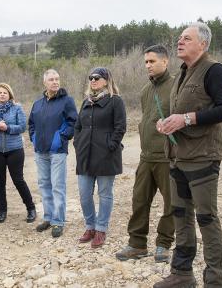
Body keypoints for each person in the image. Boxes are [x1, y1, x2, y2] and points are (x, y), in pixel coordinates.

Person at [154, 22, 222, 288]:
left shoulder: (214, 71)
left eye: (186, 38)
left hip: (203, 158)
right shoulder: (182, 72)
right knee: (180, 214)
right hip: (178, 157)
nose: (179, 42)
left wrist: (186, 119)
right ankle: (182, 274)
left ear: (203, 43)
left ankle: (214, 281)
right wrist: (166, 123)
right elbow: (179, 113)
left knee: (206, 218)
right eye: (179, 38)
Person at [116, 45, 175, 262]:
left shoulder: (176, 85)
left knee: (172, 203)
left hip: (167, 157)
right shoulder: (145, 91)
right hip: (146, 157)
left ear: (165, 61)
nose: (148, 65)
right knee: (139, 201)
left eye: (152, 61)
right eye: (146, 62)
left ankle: (163, 244)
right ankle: (137, 244)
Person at [74, 67, 126, 248]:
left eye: (97, 77)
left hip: (106, 155)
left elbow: (120, 127)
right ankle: (90, 226)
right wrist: (78, 143)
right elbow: (78, 126)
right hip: (85, 155)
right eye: (91, 78)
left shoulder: (115, 101)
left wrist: (110, 145)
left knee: (104, 194)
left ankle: (101, 228)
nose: (93, 80)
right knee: (84, 194)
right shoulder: (86, 102)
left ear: (106, 80)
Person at [28, 69, 77, 238]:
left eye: (57, 78)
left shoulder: (66, 101)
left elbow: (73, 123)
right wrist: (33, 138)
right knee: (44, 184)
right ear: (45, 82)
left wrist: (61, 137)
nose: (55, 82)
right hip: (40, 151)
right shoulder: (37, 104)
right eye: (51, 79)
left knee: (57, 186)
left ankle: (58, 221)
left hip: (57, 151)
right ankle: (48, 217)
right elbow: (31, 124)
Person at [0, 83, 36, 223]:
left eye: (5, 92)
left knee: (18, 180)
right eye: (0, 92)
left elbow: (23, 126)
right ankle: (2, 211)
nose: (2, 94)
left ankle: (31, 208)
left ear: (9, 94)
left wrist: (8, 128)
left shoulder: (17, 108)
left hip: (15, 150)